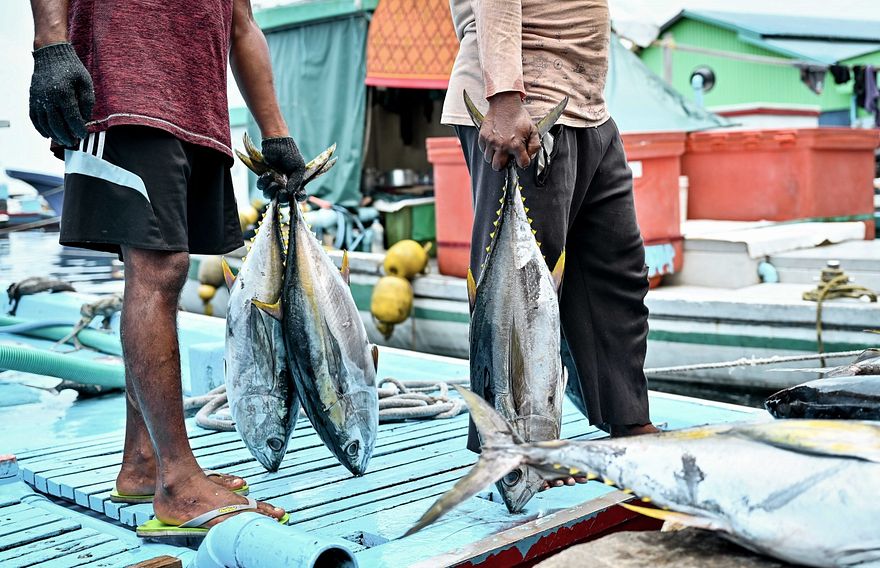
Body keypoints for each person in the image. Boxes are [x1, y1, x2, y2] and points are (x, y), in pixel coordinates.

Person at [28, 0, 304, 531]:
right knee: (159, 268)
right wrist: (52, 46)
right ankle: (178, 484)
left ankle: (143, 461)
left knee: (162, 273)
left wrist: (276, 133)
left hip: (199, 112)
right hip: (123, 88)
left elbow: (242, 23)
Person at [443, 0, 660, 487]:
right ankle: (513, 453)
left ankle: (627, 419)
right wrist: (504, 96)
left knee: (616, 274)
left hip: (585, 105)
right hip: (523, 104)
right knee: (520, 300)